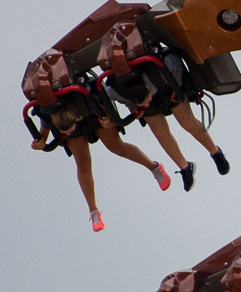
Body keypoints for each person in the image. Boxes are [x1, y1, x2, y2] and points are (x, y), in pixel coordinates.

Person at [32, 96, 170, 232]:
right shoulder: (51, 116)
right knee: (83, 163)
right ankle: (94, 212)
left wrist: (111, 120)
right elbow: (42, 136)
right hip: (71, 119)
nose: (67, 132)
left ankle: (155, 168)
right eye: (64, 131)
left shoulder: (85, 102)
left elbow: (106, 108)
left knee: (116, 146)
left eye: (68, 129)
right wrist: (39, 144)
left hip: (94, 114)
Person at [108, 76, 231, 192]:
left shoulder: (166, 70)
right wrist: (134, 107)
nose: (145, 104)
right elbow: (121, 96)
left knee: (187, 122)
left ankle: (216, 153)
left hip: (165, 82)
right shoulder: (114, 92)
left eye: (145, 101)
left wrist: (175, 83)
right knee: (160, 133)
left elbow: (174, 64)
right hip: (137, 90)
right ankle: (185, 168)